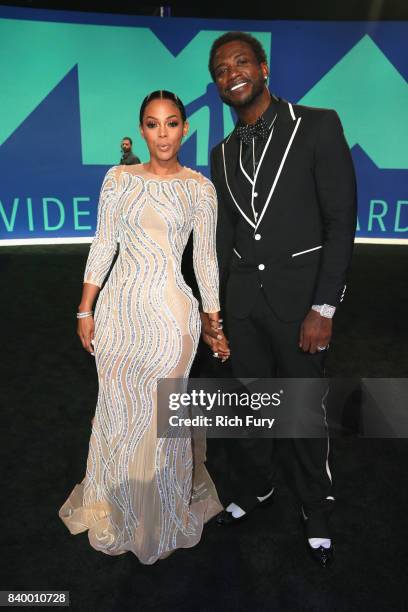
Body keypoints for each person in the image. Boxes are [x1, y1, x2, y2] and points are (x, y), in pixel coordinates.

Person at [202, 32, 357, 567]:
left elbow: (341, 223)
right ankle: (259, 486)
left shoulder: (317, 125)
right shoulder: (220, 155)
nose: (232, 73)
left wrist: (325, 306)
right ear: (217, 84)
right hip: (244, 307)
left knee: (302, 415)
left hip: (300, 308)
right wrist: (215, 312)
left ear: (263, 68)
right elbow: (225, 239)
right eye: (221, 69)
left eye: (241, 62)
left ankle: (316, 506)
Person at [58, 90, 229, 564]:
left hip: (173, 318)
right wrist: (84, 308)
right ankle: (117, 504)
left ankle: (158, 514)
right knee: (117, 410)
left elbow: (206, 260)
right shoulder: (117, 179)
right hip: (117, 314)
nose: (163, 134)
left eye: (172, 123)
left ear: (185, 129)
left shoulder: (200, 188)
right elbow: (103, 245)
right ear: (141, 129)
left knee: (161, 420)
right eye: (153, 125)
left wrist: (213, 321)